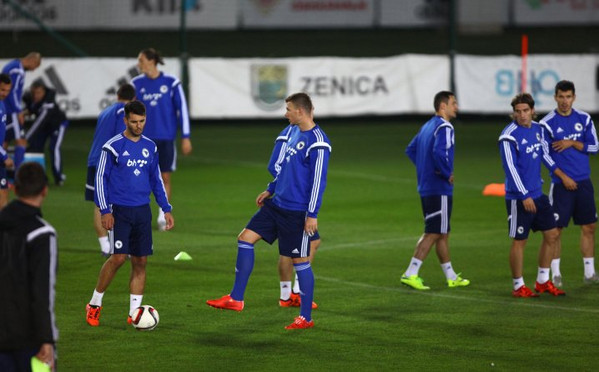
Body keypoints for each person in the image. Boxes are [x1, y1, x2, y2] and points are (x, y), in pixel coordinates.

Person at [206, 92, 331, 329]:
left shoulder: (318, 142)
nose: (285, 114)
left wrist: (312, 215)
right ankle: (236, 298)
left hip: (296, 212)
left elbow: (318, 183)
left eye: (288, 109)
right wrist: (271, 188)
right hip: (277, 205)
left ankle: (306, 317)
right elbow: (283, 167)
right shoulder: (293, 131)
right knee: (245, 239)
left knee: (300, 261)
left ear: (301, 111)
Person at [85, 101, 174, 327]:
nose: (138, 125)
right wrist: (105, 210)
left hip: (142, 211)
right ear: (125, 120)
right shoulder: (112, 147)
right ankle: (95, 303)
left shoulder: (150, 147)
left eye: (142, 121)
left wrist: (166, 208)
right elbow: (100, 179)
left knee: (141, 261)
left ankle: (135, 313)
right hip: (120, 210)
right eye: (133, 121)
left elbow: (156, 181)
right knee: (118, 258)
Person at [499, 93, 567, 297]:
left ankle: (543, 281)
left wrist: (560, 174)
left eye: (525, 111)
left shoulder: (538, 130)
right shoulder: (508, 136)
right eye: (518, 111)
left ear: (532, 111)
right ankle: (518, 286)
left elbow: (544, 154)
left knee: (552, 234)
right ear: (514, 113)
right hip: (519, 197)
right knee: (520, 240)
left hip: (538, 194)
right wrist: (524, 195)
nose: (522, 115)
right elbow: (510, 168)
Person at [401, 91, 470, 290]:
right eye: (453, 103)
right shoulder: (445, 127)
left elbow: (411, 150)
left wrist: (425, 169)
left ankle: (450, 276)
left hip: (427, 186)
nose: (456, 107)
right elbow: (440, 152)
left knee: (442, 232)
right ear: (443, 106)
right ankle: (411, 273)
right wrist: (445, 172)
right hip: (439, 187)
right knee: (432, 232)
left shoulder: (427, 126)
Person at [539, 80, 599, 286]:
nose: (565, 101)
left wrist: (572, 142)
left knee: (590, 227)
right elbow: (544, 156)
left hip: (583, 182)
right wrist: (563, 176)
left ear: (574, 97)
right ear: (555, 97)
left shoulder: (584, 118)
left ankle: (590, 272)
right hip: (561, 185)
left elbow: (595, 147)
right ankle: (555, 274)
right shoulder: (547, 123)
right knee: (555, 231)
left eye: (568, 97)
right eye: (561, 97)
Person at [0, 162, 57, 371]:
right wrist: (46, 340)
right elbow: (43, 293)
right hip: (27, 338)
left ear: (14, 188)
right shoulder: (42, 234)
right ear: (45, 190)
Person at [131, 48, 192, 231]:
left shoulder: (171, 83)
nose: (139, 64)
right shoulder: (136, 84)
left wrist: (186, 137)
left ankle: (162, 216)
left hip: (165, 139)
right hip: (141, 140)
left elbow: (182, 110)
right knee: (137, 178)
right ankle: (137, 216)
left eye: (141, 60)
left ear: (151, 61)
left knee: (164, 177)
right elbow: (126, 112)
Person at [268, 123, 319, 309]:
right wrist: (290, 182)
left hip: (288, 200)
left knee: (293, 248)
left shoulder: (295, 132)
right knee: (298, 249)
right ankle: (293, 294)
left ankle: (287, 294)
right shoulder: (290, 132)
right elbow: (274, 165)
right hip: (293, 203)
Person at [85, 83, 136, 257]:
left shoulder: (105, 112)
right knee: (120, 204)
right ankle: (121, 246)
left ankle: (105, 246)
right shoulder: (124, 113)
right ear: (133, 99)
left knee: (99, 205)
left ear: (118, 95)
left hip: (94, 160)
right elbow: (121, 140)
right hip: (109, 164)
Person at [1, 52, 42, 171]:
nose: (34, 70)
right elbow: (12, 92)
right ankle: (18, 177)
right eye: (36, 66)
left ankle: (3, 176)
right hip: (11, 111)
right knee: (21, 141)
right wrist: (19, 111)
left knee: (4, 142)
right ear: (32, 61)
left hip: (4, 108)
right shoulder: (17, 70)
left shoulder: (11, 65)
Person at [23, 81, 69, 186]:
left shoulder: (49, 101)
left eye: (39, 93)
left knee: (54, 148)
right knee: (35, 147)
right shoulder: (29, 98)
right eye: (34, 93)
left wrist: (26, 138)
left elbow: (39, 121)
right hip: (45, 126)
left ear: (44, 91)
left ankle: (59, 177)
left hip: (57, 124)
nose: (36, 95)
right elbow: (32, 109)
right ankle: (40, 177)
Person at [0, 74, 15, 209]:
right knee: (3, 195)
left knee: (4, 192)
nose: (5, 93)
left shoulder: (2, 104)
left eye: (7, 90)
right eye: (2, 90)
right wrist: (4, 156)